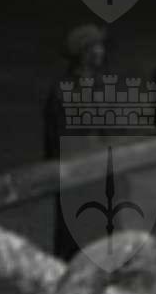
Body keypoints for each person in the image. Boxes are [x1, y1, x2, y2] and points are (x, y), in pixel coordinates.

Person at [42, 23, 107, 261]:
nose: (101, 51)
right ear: (83, 53)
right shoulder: (62, 91)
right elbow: (57, 139)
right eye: (96, 47)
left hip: (97, 170)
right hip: (75, 173)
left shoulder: (99, 85)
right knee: (72, 236)